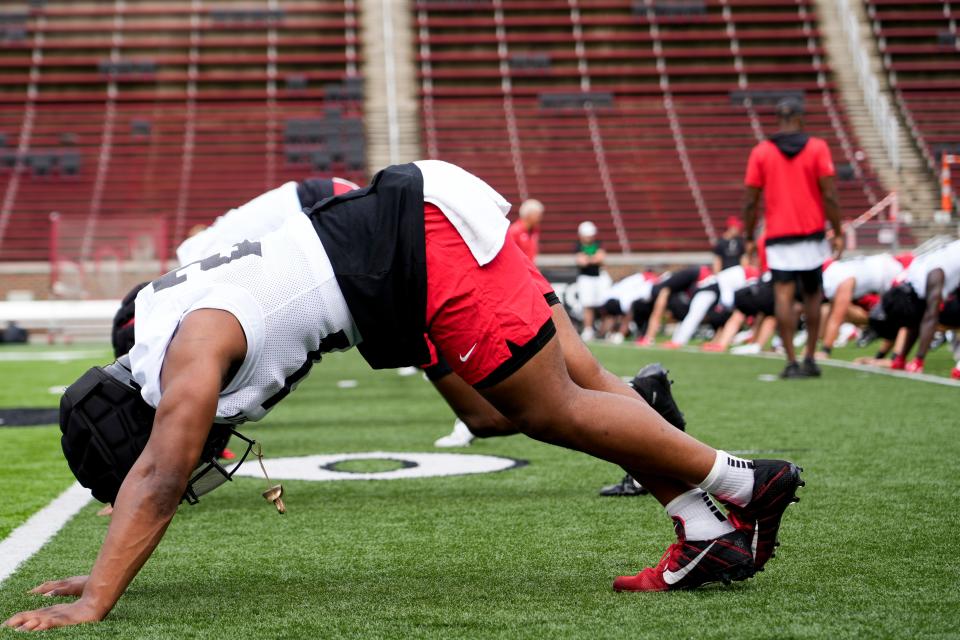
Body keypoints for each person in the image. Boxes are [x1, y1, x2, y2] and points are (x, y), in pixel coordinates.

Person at [5, 162, 805, 632]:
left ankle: (739, 481)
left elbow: (156, 478)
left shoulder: (184, 365)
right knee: (503, 407)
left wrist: (94, 600)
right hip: (398, 249)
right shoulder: (152, 323)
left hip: (413, 248)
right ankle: (703, 525)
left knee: (544, 404)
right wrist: (100, 569)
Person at [743, 96, 844, 379]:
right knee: (813, 296)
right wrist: (837, 231)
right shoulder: (817, 147)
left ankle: (790, 361)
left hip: (779, 236)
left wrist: (749, 236)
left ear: (778, 118)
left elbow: (751, 202)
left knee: (783, 298)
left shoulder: (762, 151)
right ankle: (810, 358)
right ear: (801, 118)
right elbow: (830, 194)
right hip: (811, 234)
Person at [879, 239, 960, 373]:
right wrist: (901, 358)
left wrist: (918, 360)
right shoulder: (914, 278)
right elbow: (916, 318)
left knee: (940, 315)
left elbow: (930, 317)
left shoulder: (933, 275)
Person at [817, 253, 910, 358]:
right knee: (892, 318)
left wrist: (825, 351)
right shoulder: (835, 273)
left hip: (897, 272)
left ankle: (896, 360)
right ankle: (885, 357)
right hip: (889, 269)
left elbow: (836, 317)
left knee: (902, 319)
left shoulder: (836, 279)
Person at [664, 264, 759, 348]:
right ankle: (678, 340)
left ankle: (679, 340)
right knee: (695, 315)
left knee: (697, 316)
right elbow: (727, 288)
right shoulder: (747, 274)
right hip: (712, 289)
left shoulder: (745, 273)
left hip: (715, 290)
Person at [636, 265, 712, 346]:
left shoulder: (659, 289)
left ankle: (677, 341)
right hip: (705, 277)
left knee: (691, 314)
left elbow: (657, 313)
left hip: (706, 279)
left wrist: (649, 337)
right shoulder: (665, 285)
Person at [574, 221, 610, 341]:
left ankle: (604, 330)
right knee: (587, 304)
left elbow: (601, 258)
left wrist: (589, 259)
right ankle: (588, 329)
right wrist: (594, 259)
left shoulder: (598, 244)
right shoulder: (578, 245)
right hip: (586, 278)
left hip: (599, 278)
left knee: (603, 304)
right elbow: (581, 261)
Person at [507, 198, 543, 262]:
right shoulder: (515, 231)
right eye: (537, 214)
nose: (540, 217)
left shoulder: (534, 230)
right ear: (529, 214)